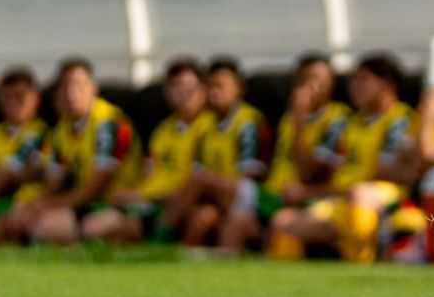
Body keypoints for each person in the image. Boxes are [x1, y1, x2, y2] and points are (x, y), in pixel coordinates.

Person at [267, 53, 416, 263]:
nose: (354, 86)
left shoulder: (399, 120)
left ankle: (362, 272)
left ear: (387, 84)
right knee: (282, 222)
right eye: (353, 80)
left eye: (363, 80)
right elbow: (329, 174)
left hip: (385, 201)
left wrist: (313, 191)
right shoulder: (349, 124)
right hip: (344, 199)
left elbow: (385, 174)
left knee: (360, 193)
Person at [219, 53, 346, 253]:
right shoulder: (287, 120)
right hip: (273, 193)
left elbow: (309, 174)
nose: (311, 86)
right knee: (236, 221)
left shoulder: (336, 119)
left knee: (208, 182)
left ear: (332, 84)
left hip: (303, 199)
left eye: (319, 80)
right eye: (305, 80)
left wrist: (298, 121)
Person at [13, 59, 140, 246]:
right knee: (27, 218)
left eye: (78, 85)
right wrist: (33, 206)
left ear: (93, 88)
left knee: (59, 228)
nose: (72, 93)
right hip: (87, 204)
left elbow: (95, 190)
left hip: (119, 203)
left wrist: (45, 205)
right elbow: (54, 183)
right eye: (65, 87)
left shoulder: (110, 124)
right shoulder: (62, 129)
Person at [86, 58, 212, 243]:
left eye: (188, 87)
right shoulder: (163, 130)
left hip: (178, 202)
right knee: (95, 226)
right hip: (151, 202)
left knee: (199, 216)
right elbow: (149, 174)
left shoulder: (210, 127)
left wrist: (145, 196)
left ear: (203, 89)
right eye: (175, 87)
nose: (182, 93)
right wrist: (133, 194)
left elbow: (199, 184)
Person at [172, 58, 270, 248]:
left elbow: (253, 173)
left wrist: (215, 185)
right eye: (209, 86)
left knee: (202, 179)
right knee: (201, 217)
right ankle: (187, 266)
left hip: (253, 197)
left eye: (220, 86)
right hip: (218, 196)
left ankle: (162, 235)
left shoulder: (249, 122)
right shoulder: (205, 126)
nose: (214, 92)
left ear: (239, 87)